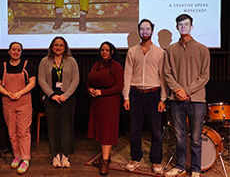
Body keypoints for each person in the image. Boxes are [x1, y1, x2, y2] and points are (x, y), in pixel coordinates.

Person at [164, 14, 210, 177]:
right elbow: (167, 73)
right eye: (180, 25)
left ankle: (196, 169)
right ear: (176, 27)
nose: (183, 27)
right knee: (179, 136)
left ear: (191, 26)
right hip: (176, 100)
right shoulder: (170, 49)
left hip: (197, 100)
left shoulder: (202, 49)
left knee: (196, 138)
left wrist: (187, 91)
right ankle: (180, 166)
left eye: (186, 24)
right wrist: (178, 90)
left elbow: (205, 76)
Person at [122, 19, 167, 175]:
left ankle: (156, 161)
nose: (145, 31)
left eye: (148, 29)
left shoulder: (160, 52)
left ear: (152, 31)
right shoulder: (132, 51)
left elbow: (163, 76)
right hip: (135, 94)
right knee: (135, 130)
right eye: (142, 29)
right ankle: (136, 159)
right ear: (139, 31)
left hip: (153, 94)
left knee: (156, 131)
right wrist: (126, 97)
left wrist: (163, 99)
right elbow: (127, 75)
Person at [38, 36, 80, 168]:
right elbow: (42, 80)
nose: (58, 47)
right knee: (53, 127)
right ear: (51, 47)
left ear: (65, 47)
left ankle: (65, 155)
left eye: (61, 45)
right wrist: (51, 95)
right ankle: (55, 155)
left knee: (67, 127)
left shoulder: (71, 61)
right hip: (51, 98)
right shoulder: (44, 61)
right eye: (56, 45)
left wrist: (66, 95)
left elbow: (75, 80)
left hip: (67, 98)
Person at [0, 42, 36, 174]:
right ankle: (17, 156)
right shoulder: (3, 66)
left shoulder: (27, 65)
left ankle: (25, 159)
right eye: (13, 50)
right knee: (12, 132)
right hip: (8, 102)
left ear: (21, 52)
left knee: (23, 131)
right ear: (9, 51)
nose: (16, 52)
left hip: (23, 101)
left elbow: (33, 82)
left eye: (18, 50)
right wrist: (7, 93)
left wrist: (19, 93)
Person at [87, 42, 124, 176]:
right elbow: (89, 80)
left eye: (107, 50)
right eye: (102, 50)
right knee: (100, 131)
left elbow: (119, 86)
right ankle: (104, 157)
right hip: (97, 103)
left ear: (112, 52)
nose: (104, 52)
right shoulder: (96, 65)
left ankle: (105, 161)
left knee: (107, 132)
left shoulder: (116, 66)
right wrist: (89, 89)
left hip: (110, 103)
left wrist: (102, 93)